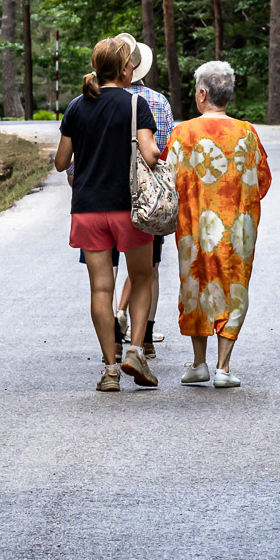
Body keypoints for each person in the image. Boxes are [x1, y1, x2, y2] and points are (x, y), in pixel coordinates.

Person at [54, 36, 162, 390]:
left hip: (87, 209)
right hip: (128, 208)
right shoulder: (135, 105)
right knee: (142, 278)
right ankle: (135, 351)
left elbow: (60, 162)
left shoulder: (75, 106)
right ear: (126, 69)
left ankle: (111, 370)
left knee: (101, 287)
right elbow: (149, 155)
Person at [168, 60, 268, 388]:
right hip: (238, 228)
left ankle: (199, 363)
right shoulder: (246, 132)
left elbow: (169, 180)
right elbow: (262, 181)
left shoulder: (183, 133)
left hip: (194, 227)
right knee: (233, 285)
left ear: (201, 94)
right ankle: (224, 367)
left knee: (194, 284)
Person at [113, 37, 175, 357]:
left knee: (109, 268)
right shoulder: (158, 102)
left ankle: (113, 323)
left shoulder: (98, 99)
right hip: (146, 197)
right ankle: (145, 338)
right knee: (148, 269)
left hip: (107, 193)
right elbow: (163, 150)